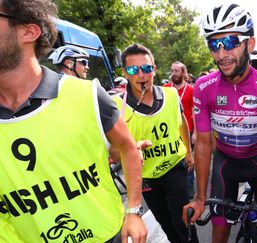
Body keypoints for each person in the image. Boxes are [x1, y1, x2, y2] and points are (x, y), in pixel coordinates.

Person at [0, 1, 147, 242]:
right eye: (84, 63)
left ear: (29, 31)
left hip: (106, 235)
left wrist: (133, 210)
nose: (86, 68)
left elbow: (128, 148)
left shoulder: (88, 94)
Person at [183, 3, 257, 243]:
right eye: (214, 44)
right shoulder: (203, 87)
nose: (222, 54)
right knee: (219, 234)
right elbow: (202, 142)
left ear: (250, 44)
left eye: (231, 42)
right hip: (225, 164)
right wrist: (200, 197)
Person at [113, 43, 198, 243]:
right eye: (134, 70)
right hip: (147, 178)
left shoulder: (171, 95)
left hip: (174, 169)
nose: (142, 75)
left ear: (155, 69)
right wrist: (132, 150)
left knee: (183, 223)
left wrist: (188, 152)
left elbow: (181, 121)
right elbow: (114, 153)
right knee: (166, 223)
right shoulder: (117, 106)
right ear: (125, 73)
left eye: (147, 68)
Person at [163, 61, 196, 199]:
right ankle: (174, 188)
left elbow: (195, 112)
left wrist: (195, 133)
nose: (174, 73)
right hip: (170, 132)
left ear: (184, 73)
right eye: (172, 71)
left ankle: (188, 192)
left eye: (177, 71)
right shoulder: (165, 88)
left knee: (187, 160)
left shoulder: (191, 90)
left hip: (187, 131)